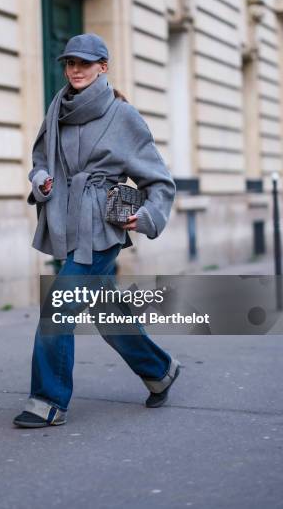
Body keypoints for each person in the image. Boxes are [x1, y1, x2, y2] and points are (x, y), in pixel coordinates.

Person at [13, 33, 180, 428]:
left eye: (85, 64)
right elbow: (39, 159)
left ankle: (48, 401)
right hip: (65, 222)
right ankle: (160, 371)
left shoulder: (123, 116)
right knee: (107, 313)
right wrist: (42, 181)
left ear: (102, 67)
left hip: (101, 229)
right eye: (71, 63)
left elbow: (159, 181)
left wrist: (149, 217)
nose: (76, 70)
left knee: (58, 307)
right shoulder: (57, 108)